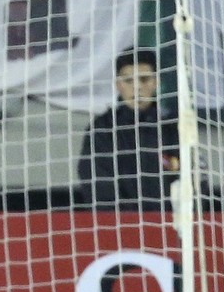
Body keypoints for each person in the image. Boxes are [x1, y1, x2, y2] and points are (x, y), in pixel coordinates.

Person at [77, 48, 180, 211]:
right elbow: (98, 187)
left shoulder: (173, 128)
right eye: (129, 80)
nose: (137, 87)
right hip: (119, 228)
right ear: (118, 85)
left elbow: (194, 183)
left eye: (144, 79)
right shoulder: (103, 129)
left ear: (156, 82)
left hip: (171, 227)